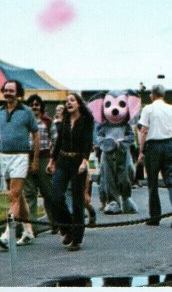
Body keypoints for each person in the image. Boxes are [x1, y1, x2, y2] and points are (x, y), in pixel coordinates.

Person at [0, 80, 40, 249]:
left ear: (18, 93)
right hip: (4, 157)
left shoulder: (27, 112)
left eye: (12, 90)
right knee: (18, 195)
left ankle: (7, 235)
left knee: (14, 196)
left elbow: (36, 135)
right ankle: (28, 231)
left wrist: (35, 159)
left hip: (20, 157)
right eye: (6, 90)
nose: (8, 93)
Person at [47, 92, 95, 251]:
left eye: (72, 100)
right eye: (67, 101)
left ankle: (76, 238)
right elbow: (59, 140)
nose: (69, 103)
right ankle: (67, 228)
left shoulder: (86, 120)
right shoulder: (66, 119)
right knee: (55, 195)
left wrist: (85, 161)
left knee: (77, 200)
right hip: (63, 159)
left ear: (79, 103)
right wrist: (52, 160)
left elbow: (88, 142)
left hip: (78, 161)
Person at [137, 83, 172, 229]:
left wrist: (141, 150)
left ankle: (155, 216)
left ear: (153, 94)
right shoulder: (171, 109)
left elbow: (143, 130)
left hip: (153, 146)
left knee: (153, 183)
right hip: (170, 144)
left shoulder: (148, 109)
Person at [23, 94, 55, 235]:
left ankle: (55, 222)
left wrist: (52, 160)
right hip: (27, 157)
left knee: (47, 192)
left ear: (41, 106)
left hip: (44, 157)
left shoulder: (47, 121)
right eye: (31, 105)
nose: (34, 107)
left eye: (37, 104)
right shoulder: (24, 121)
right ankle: (32, 227)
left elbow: (55, 140)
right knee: (29, 193)